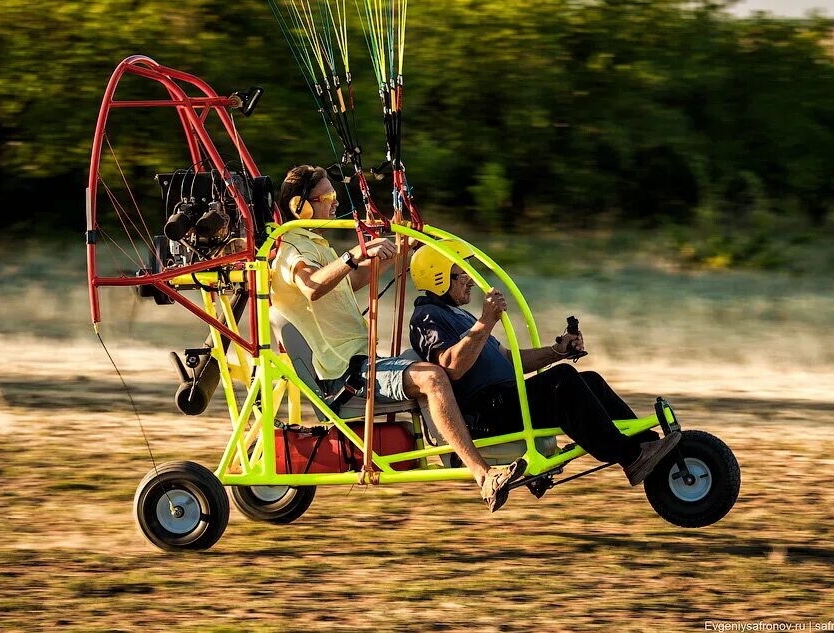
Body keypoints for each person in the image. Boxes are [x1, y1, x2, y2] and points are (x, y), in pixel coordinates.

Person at [270, 165, 525, 511]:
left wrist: (399, 250)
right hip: (345, 375)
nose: (335, 202)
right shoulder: (290, 249)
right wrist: (354, 254)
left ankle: (484, 441)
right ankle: (484, 475)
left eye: (334, 194)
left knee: (436, 360)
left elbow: (351, 281)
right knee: (432, 377)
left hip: (361, 363)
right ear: (299, 206)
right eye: (327, 196)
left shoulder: (315, 244)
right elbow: (312, 286)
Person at [408, 240, 682, 489]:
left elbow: (508, 359)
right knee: (562, 380)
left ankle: (647, 445)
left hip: (504, 400)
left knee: (590, 380)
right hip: (484, 414)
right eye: (462, 275)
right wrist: (486, 321)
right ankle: (630, 456)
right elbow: (452, 366)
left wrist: (557, 351)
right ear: (438, 278)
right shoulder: (426, 317)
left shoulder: (459, 315)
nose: (469, 281)